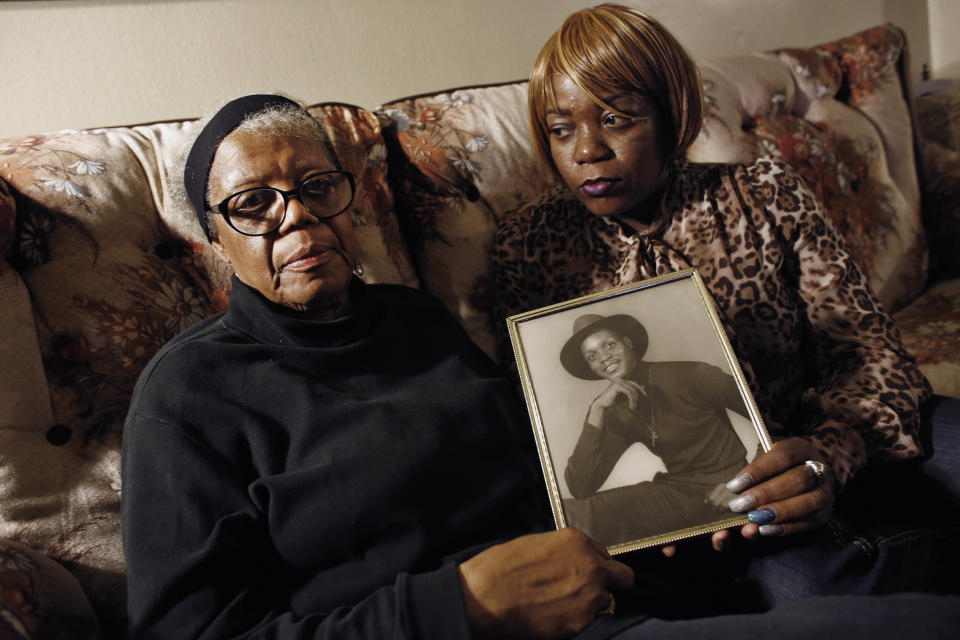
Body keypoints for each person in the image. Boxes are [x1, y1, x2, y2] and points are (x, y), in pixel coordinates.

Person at [492, 2, 960, 603]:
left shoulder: (764, 194)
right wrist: (636, 522)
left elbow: (870, 350)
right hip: (721, 510)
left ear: (671, 116)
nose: (587, 151)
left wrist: (829, 452)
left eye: (616, 119)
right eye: (562, 130)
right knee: (821, 591)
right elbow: (542, 436)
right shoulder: (527, 246)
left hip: (829, 436)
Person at [559, 313, 749, 545]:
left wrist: (744, 482)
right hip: (677, 494)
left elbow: (771, 425)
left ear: (628, 343)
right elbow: (581, 487)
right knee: (572, 515)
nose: (603, 357)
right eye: (592, 356)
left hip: (730, 483)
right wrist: (596, 409)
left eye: (609, 345)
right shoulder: (616, 410)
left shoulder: (694, 375)